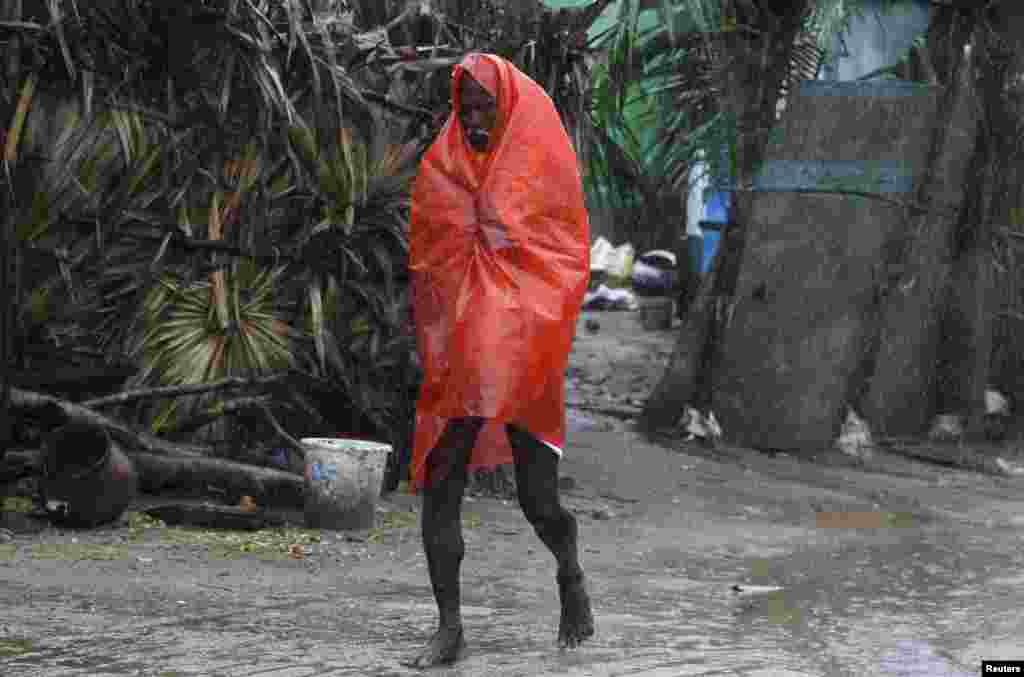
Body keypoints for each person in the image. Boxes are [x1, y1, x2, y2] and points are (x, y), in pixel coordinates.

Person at [406, 52, 594, 667]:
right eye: (468, 108)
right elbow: (429, 252)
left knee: (538, 501)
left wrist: (504, 245)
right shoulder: (444, 165)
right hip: (462, 351)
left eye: (487, 106)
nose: (478, 118)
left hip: (521, 349)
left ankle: (569, 571)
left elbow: (561, 254)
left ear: (509, 105)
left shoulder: (539, 164)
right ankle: (449, 626)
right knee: (440, 478)